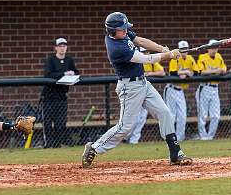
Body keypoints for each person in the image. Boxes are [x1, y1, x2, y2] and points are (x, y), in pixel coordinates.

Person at [82, 12, 192, 168]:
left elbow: (140, 40)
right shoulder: (116, 49)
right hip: (129, 88)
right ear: (112, 31)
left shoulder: (123, 34)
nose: (125, 31)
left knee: (164, 112)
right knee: (125, 127)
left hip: (143, 83)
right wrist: (168, 55)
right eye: (122, 29)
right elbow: (146, 59)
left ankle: (175, 153)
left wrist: (162, 48)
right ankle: (94, 148)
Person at [41, 38, 79, 148]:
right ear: (56, 48)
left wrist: (72, 73)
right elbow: (48, 74)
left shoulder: (69, 60)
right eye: (60, 45)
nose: (62, 48)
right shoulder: (51, 60)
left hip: (62, 96)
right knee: (47, 123)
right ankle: (48, 144)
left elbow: (76, 72)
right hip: (49, 96)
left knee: (60, 122)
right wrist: (64, 73)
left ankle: (58, 144)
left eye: (64, 45)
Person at [126, 47, 166, 144]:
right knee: (132, 117)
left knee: (142, 118)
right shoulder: (136, 61)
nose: (146, 53)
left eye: (147, 52)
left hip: (146, 92)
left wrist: (150, 73)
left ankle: (133, 140)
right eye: (144, 52)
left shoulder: (151, 62)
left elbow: (162, 72)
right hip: (135, 91)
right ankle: (126, 137)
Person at [164, 41, 198, 141]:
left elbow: (196, 72)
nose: (184, 52)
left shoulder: (190, 59)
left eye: (186, 49)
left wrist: (186, 73)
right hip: (171, 89)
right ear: (179, 50)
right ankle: (170, 137)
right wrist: (184, 72)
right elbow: (172, 73)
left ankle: (179, 138)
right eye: (182, 50)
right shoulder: (175, 58)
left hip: (180, 90)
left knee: (182, 116)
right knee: (172, 116)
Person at [196, 39, 227, 140]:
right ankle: (203, 136)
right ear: (208, 48)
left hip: (215, 89)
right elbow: (201, 71)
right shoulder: (202, 57)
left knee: (215, 116)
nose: (214, 49)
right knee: (203, 115)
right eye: (212, 47)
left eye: (216, 47)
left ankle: (210, 137)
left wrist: (214, 71)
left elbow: (224, 69)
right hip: (204, 88)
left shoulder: (219, 57)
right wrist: (215, 71)